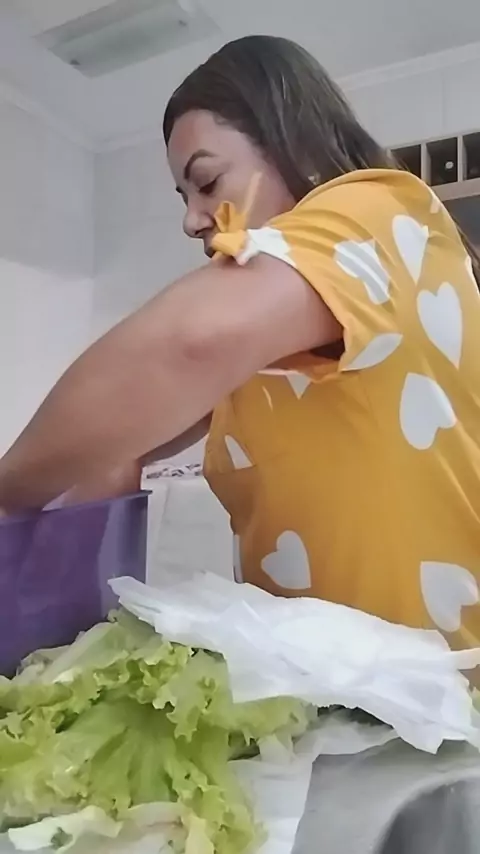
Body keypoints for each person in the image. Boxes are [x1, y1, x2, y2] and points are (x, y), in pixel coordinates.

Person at [1, 35, 480, 652]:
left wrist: (8, 492)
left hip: (441, 684)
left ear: (294, 144)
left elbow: (185, 344)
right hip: (321, 682)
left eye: (206, 182)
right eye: (184, 196)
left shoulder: (379, 212)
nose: (191, 219)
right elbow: (117, 440)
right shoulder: (272, 349)